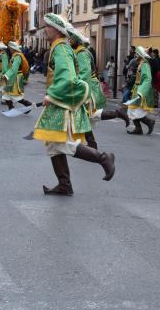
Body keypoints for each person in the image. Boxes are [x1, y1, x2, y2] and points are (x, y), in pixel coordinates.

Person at [33, 13, 115, 196]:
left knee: (63, 144)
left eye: (47, 27)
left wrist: (51, 96)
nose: (45, 30)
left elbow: (68, 78)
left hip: (62, 105)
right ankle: (64, 185)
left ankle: (103, 158)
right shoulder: (60, 47)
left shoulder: (61, 48)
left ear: (56, 30)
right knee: (54, 146)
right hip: (59, 103)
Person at [65, 27, 129, 150]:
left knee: (86, 115)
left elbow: (84, 74)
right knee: (87, 116)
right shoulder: (80, 52)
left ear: (76, 40)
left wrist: (75, 87)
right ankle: (92, 144)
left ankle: (90, 144)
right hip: (89, 87)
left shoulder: (82, 54)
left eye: (71, 39)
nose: (69, 41)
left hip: (88, 88)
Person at [126, 46, 156, 135]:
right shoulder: (141, 64)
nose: (135, 55)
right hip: (137, 88)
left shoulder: (144, 64)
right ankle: (139, 128)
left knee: (134, 110)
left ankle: (148, 123)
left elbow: (147, 78)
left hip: (141, 90)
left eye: (137, 54)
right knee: (132, 110)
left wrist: (142, 91)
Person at [0, 41, 31, 110]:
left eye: (10, 48)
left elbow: (14, 69)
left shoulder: (17, 56)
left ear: (13, 48)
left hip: (15, 78)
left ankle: (28, 104)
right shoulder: (15, 56)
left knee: (15, 96)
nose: (10, 49)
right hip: (13, 77)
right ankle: (11, 108)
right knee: (6, 94)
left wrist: (6, 75)